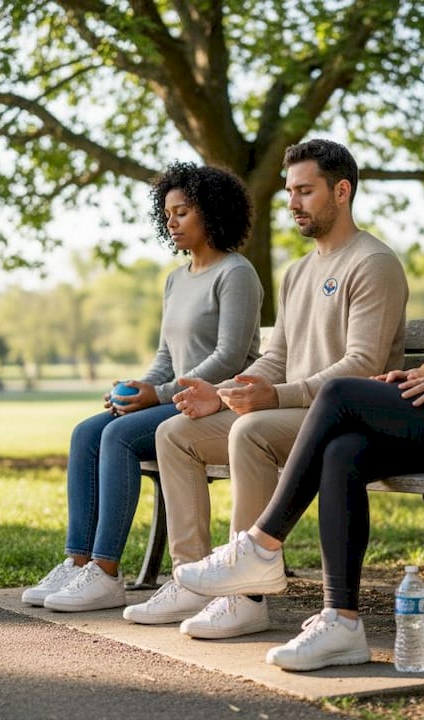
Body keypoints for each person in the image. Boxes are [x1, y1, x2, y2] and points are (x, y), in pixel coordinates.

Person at [172, 129, 424, 671]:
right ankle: (341, 622)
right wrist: (410, 377)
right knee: (345, 450)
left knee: (343, 391)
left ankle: (261, 545)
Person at [121, 139, 409, 640]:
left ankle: (245, 597)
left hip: (346, 418)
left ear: (341, 191)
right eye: (289, 191)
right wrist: (226, 391)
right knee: (175, 433)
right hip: (294, 410)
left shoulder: (373, 262)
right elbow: (276, 357)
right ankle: (193, 581)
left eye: (305, 191)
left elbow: (361, 365)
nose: (293, 202)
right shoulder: (298, 273)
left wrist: (272, 396)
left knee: (250, 431)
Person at [20, 162, 264, 612]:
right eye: (167, 213)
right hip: (176, 398)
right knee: (87, 431)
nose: (172, 221)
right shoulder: (175, 279)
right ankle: (78, 562)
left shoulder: (237, 273)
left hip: (215, 402)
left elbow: (229, 357)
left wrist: (160, 394)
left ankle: (106, 573)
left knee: (118, 436)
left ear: (212, 212)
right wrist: (136, 387)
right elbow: (166, 358)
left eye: (183, 211)